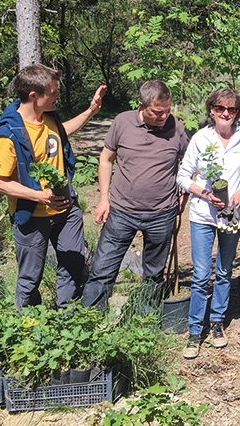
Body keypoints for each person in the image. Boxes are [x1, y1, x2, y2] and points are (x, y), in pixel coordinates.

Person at [0, 64, 106, 308]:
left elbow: (62, 134)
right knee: (30, 277)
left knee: (73, 265)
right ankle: (30, 326)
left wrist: (91, 111)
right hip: (32, 215)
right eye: (53, 92)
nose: (58, 96)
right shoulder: (8, 133)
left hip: (66, 210)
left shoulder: (49, 118)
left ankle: (68, 317)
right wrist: (38, 196)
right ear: (34, 96)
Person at [82, 81, 189, 311]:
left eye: (167, 110)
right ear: (141, 105)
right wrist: (103, 199)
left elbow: (190, 164)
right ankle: (90, 320)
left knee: (153, 274)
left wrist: (184, 193)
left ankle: (144, 320)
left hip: (162, 213)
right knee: (102, 270)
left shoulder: (177, 127)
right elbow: (105, 159)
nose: (164, 117)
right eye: (157, 112)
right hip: (121, 211)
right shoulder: (122, 121)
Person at [177, 88, 240, 359]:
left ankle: (216, 324)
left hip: (233, 215)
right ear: (211, 109)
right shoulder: (201, 139)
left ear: (237, 112)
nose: (226, 113)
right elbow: (183, 175)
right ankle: (193, 330)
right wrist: (202, 193)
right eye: (220, 108)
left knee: (224, 271)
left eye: (232, 109)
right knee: (201, 275)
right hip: (203, 215)